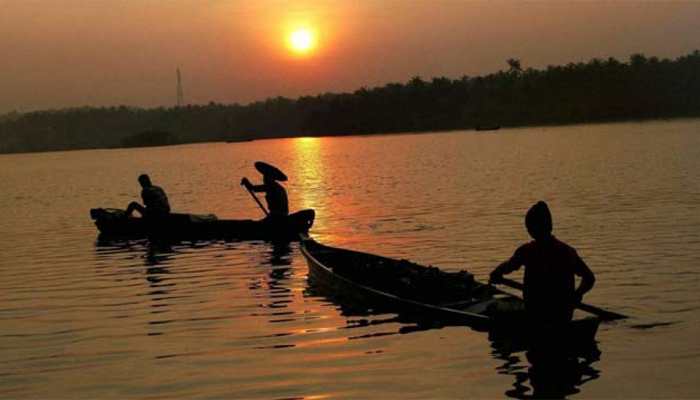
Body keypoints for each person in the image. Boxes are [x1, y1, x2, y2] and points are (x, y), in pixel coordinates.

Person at [489, 201, 595, 324]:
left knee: (496, 312)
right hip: (563, 315)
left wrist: (496, 273)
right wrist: (577, 294)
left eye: (529, 227)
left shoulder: (527, 251)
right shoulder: (567, 251)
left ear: (532, 228)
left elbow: (508, 266)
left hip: (536, 313)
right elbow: (589, 278)